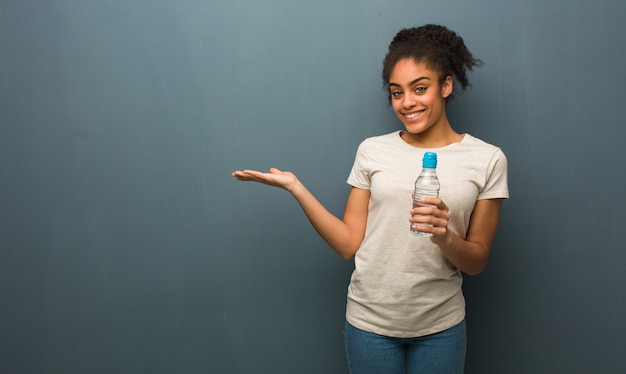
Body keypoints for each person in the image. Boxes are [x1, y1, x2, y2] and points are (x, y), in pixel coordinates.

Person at [232, 24, 508, 374]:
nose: (407, 103)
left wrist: (445, 237)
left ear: (446, 86)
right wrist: (296, 188)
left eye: (419, 89)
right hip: (370, 325)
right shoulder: (372, 151)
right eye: (396, 93)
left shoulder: (487, 159)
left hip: (440, 326)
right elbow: (349, 243)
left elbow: (477, 261)